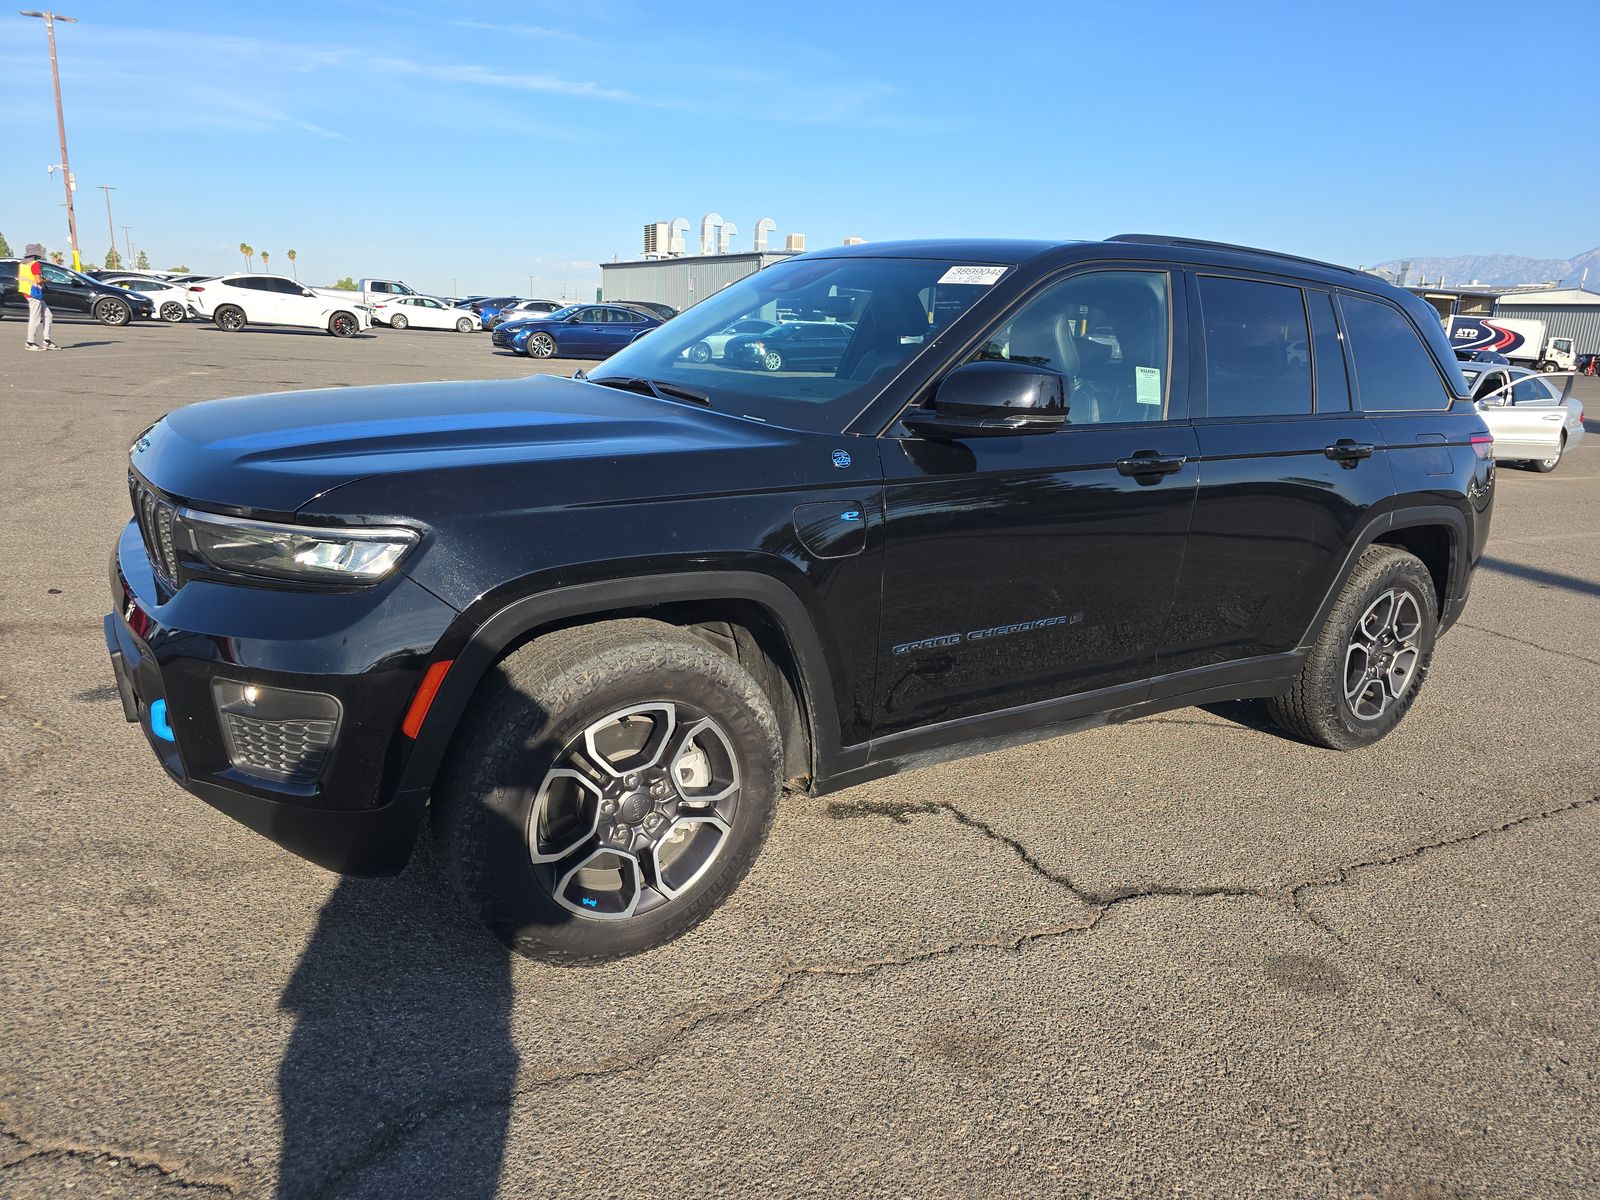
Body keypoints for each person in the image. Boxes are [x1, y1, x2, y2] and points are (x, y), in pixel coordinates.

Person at [18, 245, 57, 351]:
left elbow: (26, 277)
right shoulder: (35, 264)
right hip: (34, 293)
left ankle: (47, 341)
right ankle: (30, 342)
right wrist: (47, 280)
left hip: (28, 291)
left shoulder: (23, 263)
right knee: (35, 319)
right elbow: (38, 280)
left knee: (48, 315)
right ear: (35, 254)